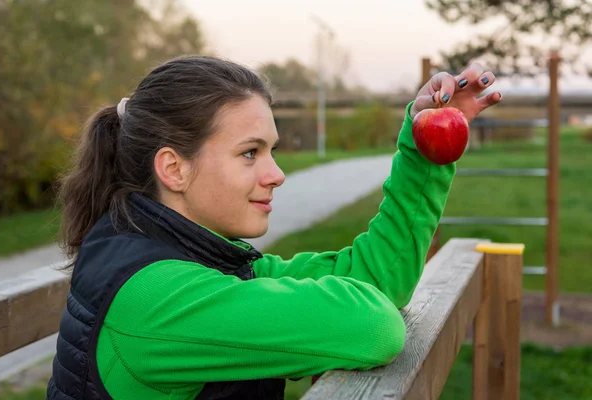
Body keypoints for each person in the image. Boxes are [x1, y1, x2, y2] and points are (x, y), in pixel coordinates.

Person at [46, 55, 501, 400]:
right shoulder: (159, 297)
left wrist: (428, 146)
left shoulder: (195, 259)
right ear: (174, 168)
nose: (277, 174)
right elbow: (374, 325)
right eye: (250, 153)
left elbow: (378, 282)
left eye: (272, 151)